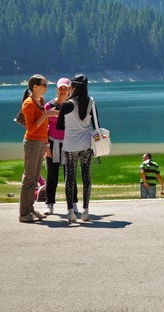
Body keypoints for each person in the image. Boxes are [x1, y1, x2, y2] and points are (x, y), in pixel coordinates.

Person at [18, 74, 58, 223]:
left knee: (35, 178)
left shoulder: (40, 100)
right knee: (29, 179)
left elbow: (43, 126)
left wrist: (46, 144)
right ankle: (24, 213)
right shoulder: (28, 104)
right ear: (35, 87)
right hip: (32, 143)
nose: (46, 87)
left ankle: (30, 209)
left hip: (40, 142)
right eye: (44, 85)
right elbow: (31, 128)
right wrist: (46, 114)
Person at [58, 73, 97, 222]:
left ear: (73, 87)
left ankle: (70, 211)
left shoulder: (67, 104)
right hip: (86, 145)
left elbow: (59, 126)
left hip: (70, 146)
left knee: (70, 178)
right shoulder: (91, 102)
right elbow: (96, 124)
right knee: (86, 177)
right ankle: (86, 211)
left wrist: (71, 125)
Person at [43, 77, 75, 215]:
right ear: (56, 89)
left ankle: (73, 204)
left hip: (69, 144)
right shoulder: (49, 106)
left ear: (69, 90)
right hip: (52, 143)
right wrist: (46, 145)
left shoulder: (73, 105)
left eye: (65, 88)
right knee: (52, 175)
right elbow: (44, 126)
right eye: (60, 88)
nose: (62, 91)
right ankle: (49, 204)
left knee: (70, 175)